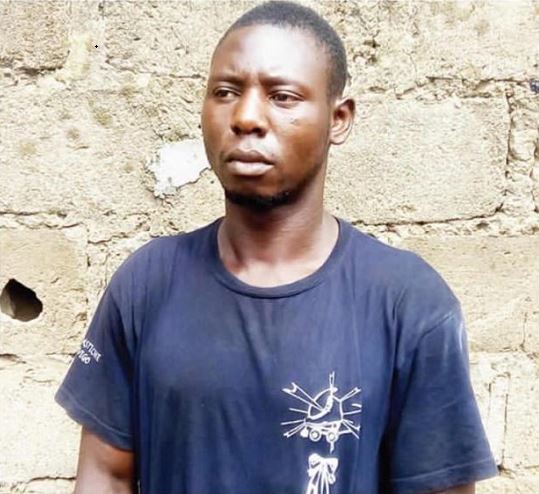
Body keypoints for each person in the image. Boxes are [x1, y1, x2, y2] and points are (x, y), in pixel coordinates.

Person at [55, 1, 498, 493]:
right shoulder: (147, 284)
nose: (246, 117)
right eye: (225, 92)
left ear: (339, 119)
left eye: (282, 96)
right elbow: (106, 475)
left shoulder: (408, 302)